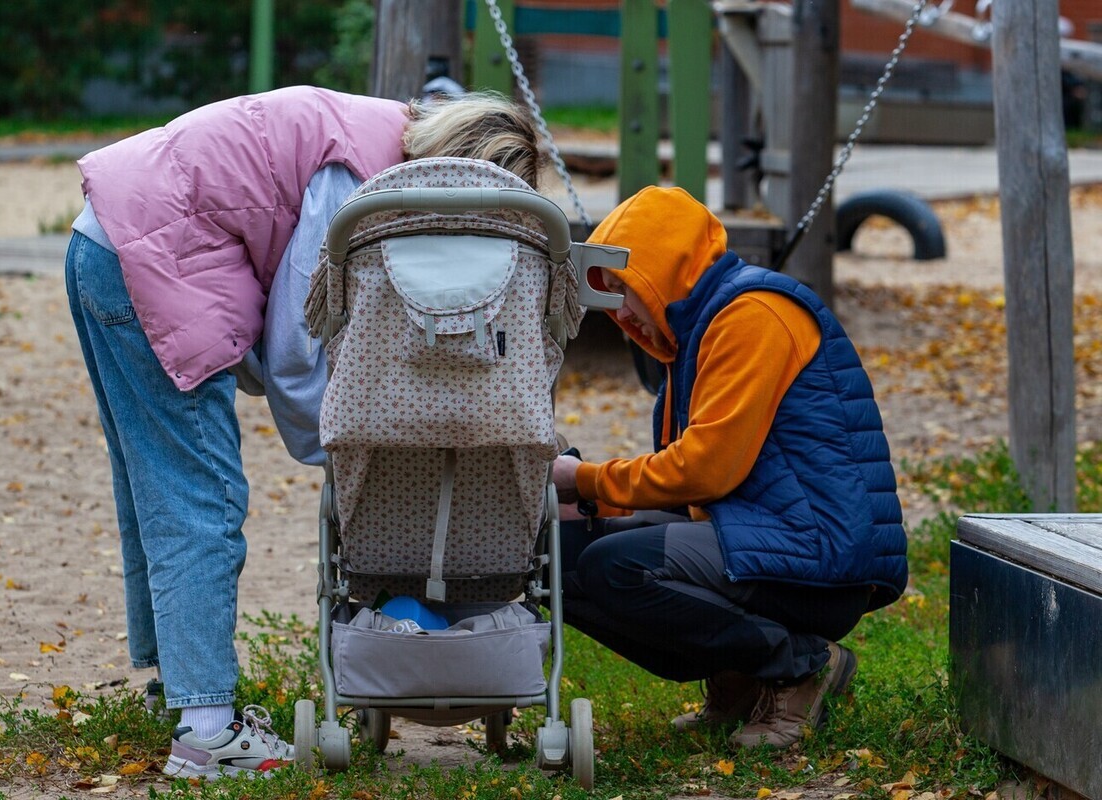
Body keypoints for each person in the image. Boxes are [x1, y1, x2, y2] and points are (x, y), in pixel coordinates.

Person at [64, 85, 543, 780]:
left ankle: (176, 687)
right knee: (204, 496)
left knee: (154, 483)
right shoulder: (359, 180)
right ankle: (207, 733)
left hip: (107, 237)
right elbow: (295, 348)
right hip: (149, 254)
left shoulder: (372, 130)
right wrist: (348, 449)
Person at [552, 186, 907, 749]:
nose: (620, 311)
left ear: (665, 267)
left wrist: (588, 481)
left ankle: (801, 666)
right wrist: (590, 503)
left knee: (618, 569)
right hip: (764, 536)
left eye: (626, 289)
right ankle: (743, 680)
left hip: (817, 555)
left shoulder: (752, 316)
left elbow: (707, 470)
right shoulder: (692, 339)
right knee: (564, 563)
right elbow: (684, 489)